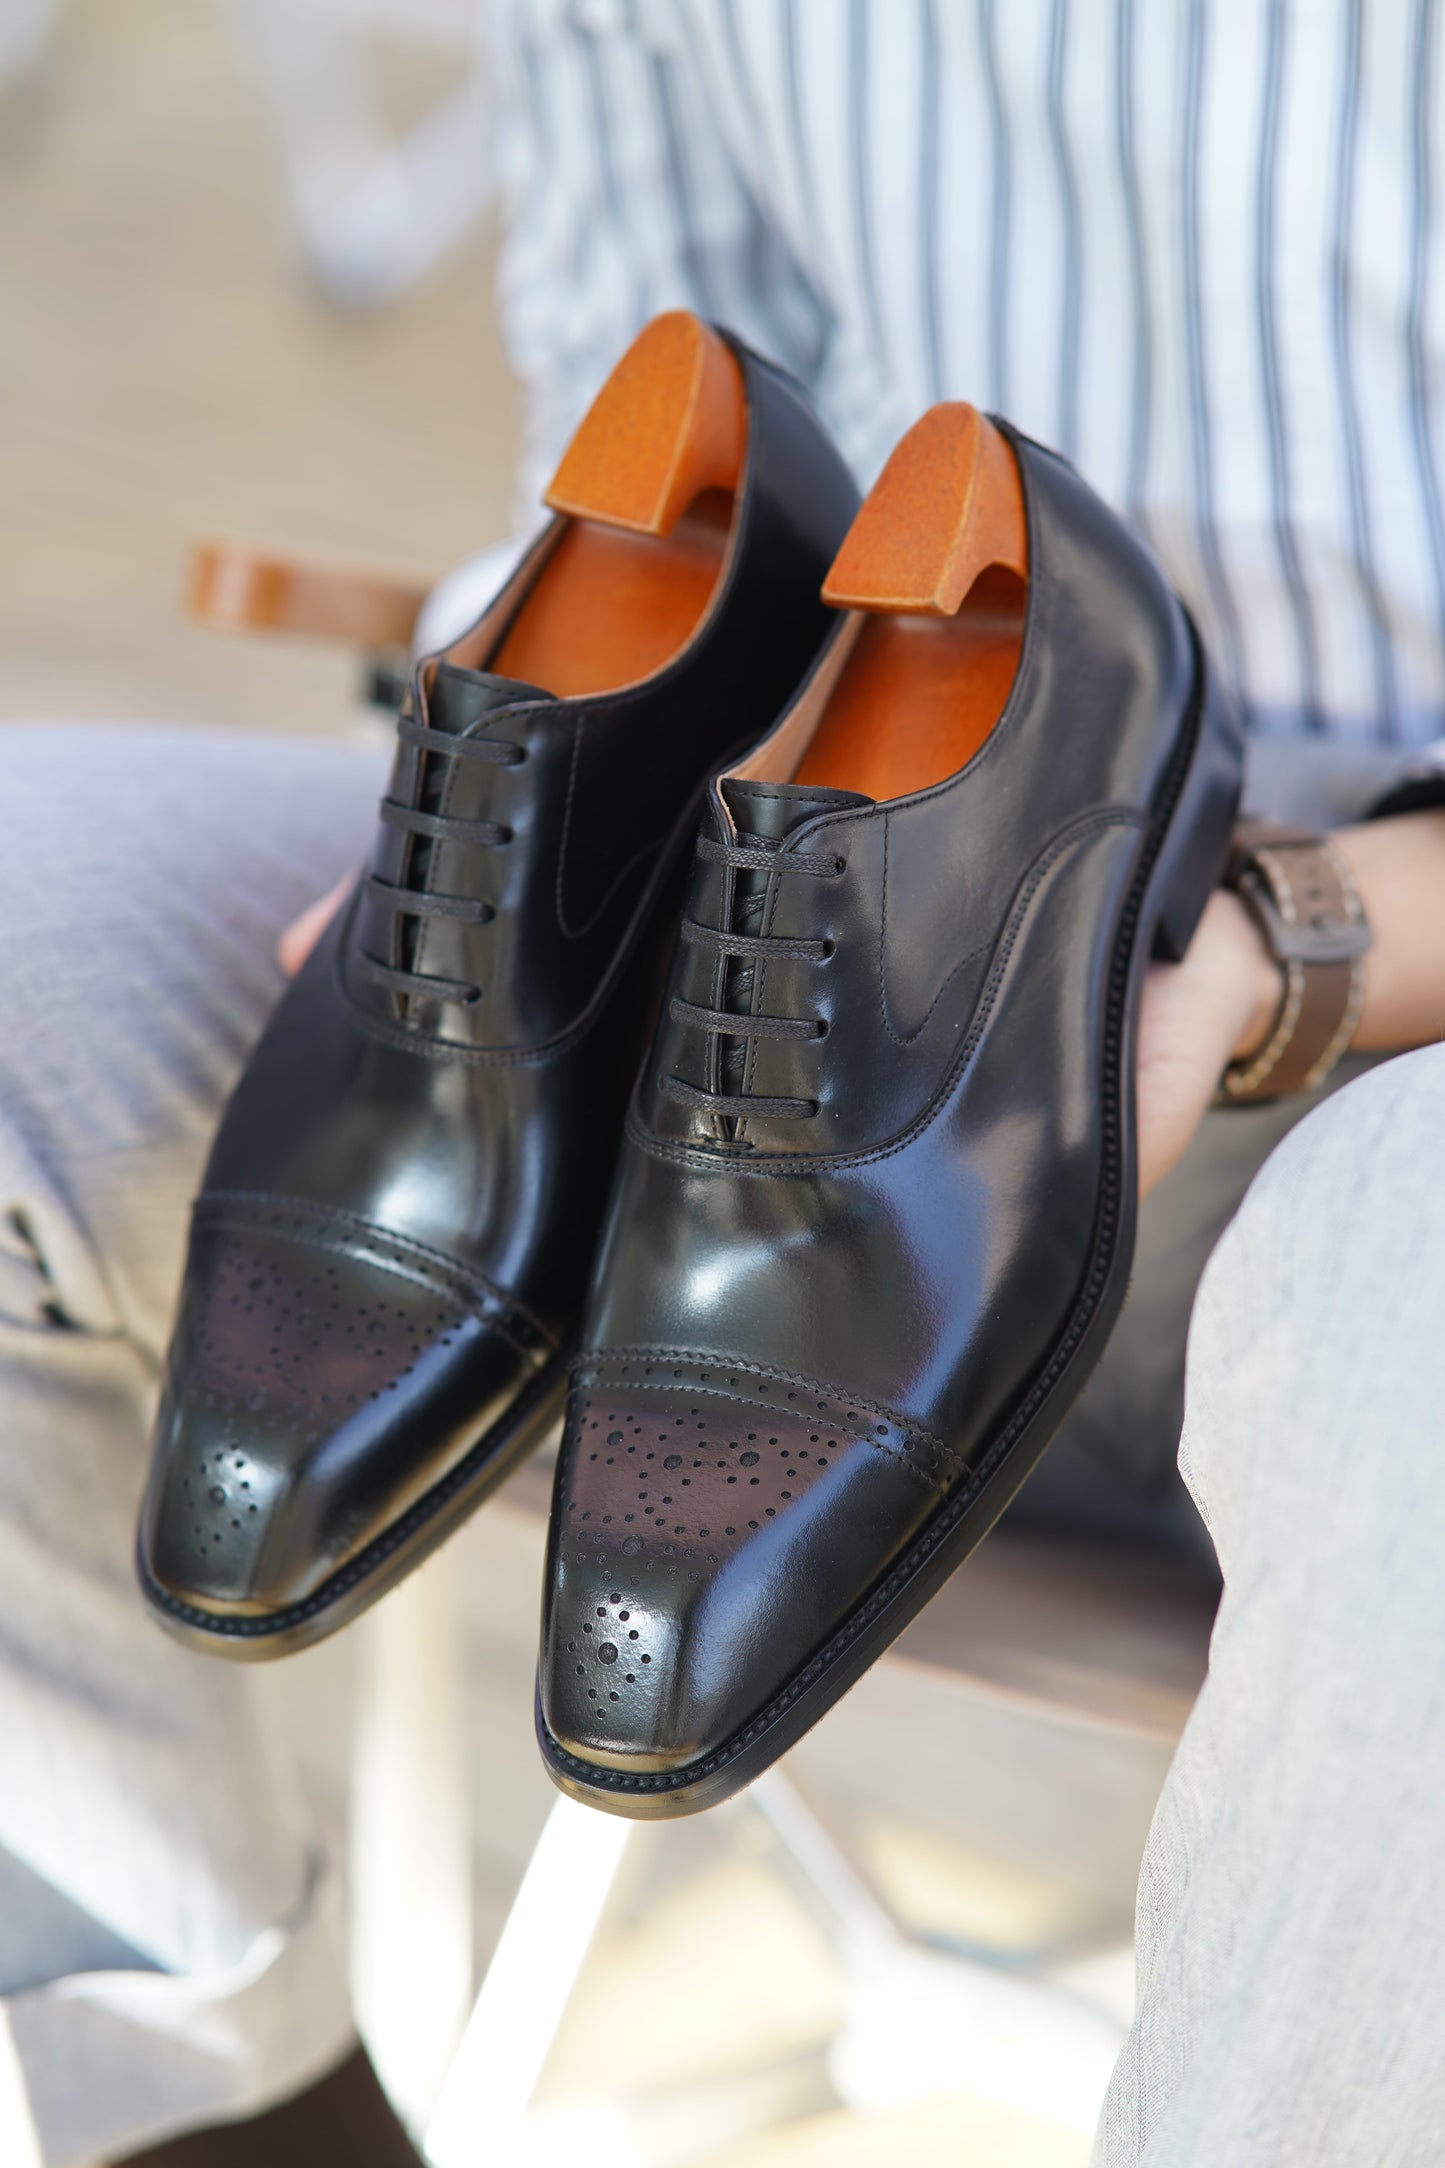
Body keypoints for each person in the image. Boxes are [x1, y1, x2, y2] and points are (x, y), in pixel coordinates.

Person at [3, 4, 1443, 2162]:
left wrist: (1291, 926)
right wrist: (521, 820)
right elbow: (663, 407)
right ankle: (216, 2124)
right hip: (829, 809)